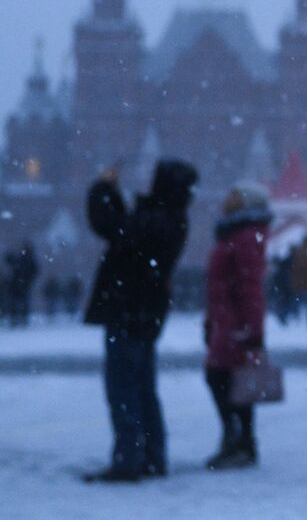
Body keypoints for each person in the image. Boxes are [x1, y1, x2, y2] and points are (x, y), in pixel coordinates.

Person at [82, 160, 198, 482]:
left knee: (123, 389)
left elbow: (111, 226)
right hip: (145, 315)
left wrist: (103, 188)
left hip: (128, 313)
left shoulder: (158, 219)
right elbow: (124, 227)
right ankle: (151, 455)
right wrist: (114, 194)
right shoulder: (171, 218)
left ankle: (129, 460)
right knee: (143, 388)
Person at [203, 181, 272, 469]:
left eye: (234, 195)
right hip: (225, 321)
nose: (227, 199)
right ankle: (239, 441)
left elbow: (250, 286)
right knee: (228, 380)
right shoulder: (236, 233)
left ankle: (239, 442)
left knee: (226, 380)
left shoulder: (245, 236)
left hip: (235, 324)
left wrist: (253, 331)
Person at [4, 241, 39, 327]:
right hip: (20, 284)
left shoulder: (23, 258)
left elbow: (10, 261)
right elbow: (35, 271)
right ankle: (19, 318)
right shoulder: (27, 259)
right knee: (20, 301)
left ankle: (17, 318)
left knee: (16, 301)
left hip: (18, 284)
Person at [289, 234, 307, 327]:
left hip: (302, 284)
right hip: (304, 284)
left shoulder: (303, 252)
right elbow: (302, 268)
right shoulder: (303, 252)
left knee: (299, 302)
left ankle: (292, 316)